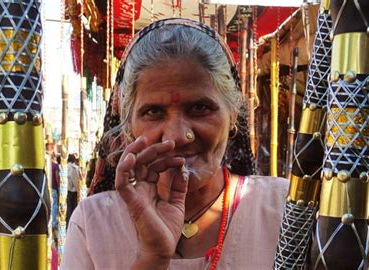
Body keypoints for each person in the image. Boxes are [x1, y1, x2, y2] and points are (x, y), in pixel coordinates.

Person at [62, 18, 288, 269]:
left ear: (233, 115)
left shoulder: (284, 209)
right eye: (154, 112)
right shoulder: (94, 223)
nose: (176, 136)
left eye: (200, 108)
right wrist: (152, 258)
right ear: (127, 127)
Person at [66, 153, 80, 226]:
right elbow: (74, 179)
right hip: (73, 190)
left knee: (68, 207)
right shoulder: (73, 168)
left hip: (66, 190)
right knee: (73, 208)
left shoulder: (64, 166)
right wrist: (78, 189)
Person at [51, 154, 60, 229]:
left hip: (48, 187)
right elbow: (57, 177)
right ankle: (53, 223)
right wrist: (59, 186)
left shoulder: (47, 164)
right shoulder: (55, 165)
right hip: (54, 187)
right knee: (54, 206)